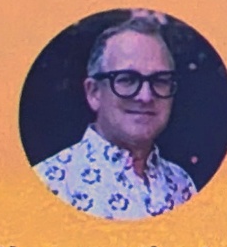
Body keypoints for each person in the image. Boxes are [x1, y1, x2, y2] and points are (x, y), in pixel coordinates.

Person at [36, 13, 196, 219]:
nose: (145, 96)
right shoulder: (51, 184)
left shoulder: (182, 184)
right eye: (127, 79)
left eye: (159, 80)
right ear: (94, 93)